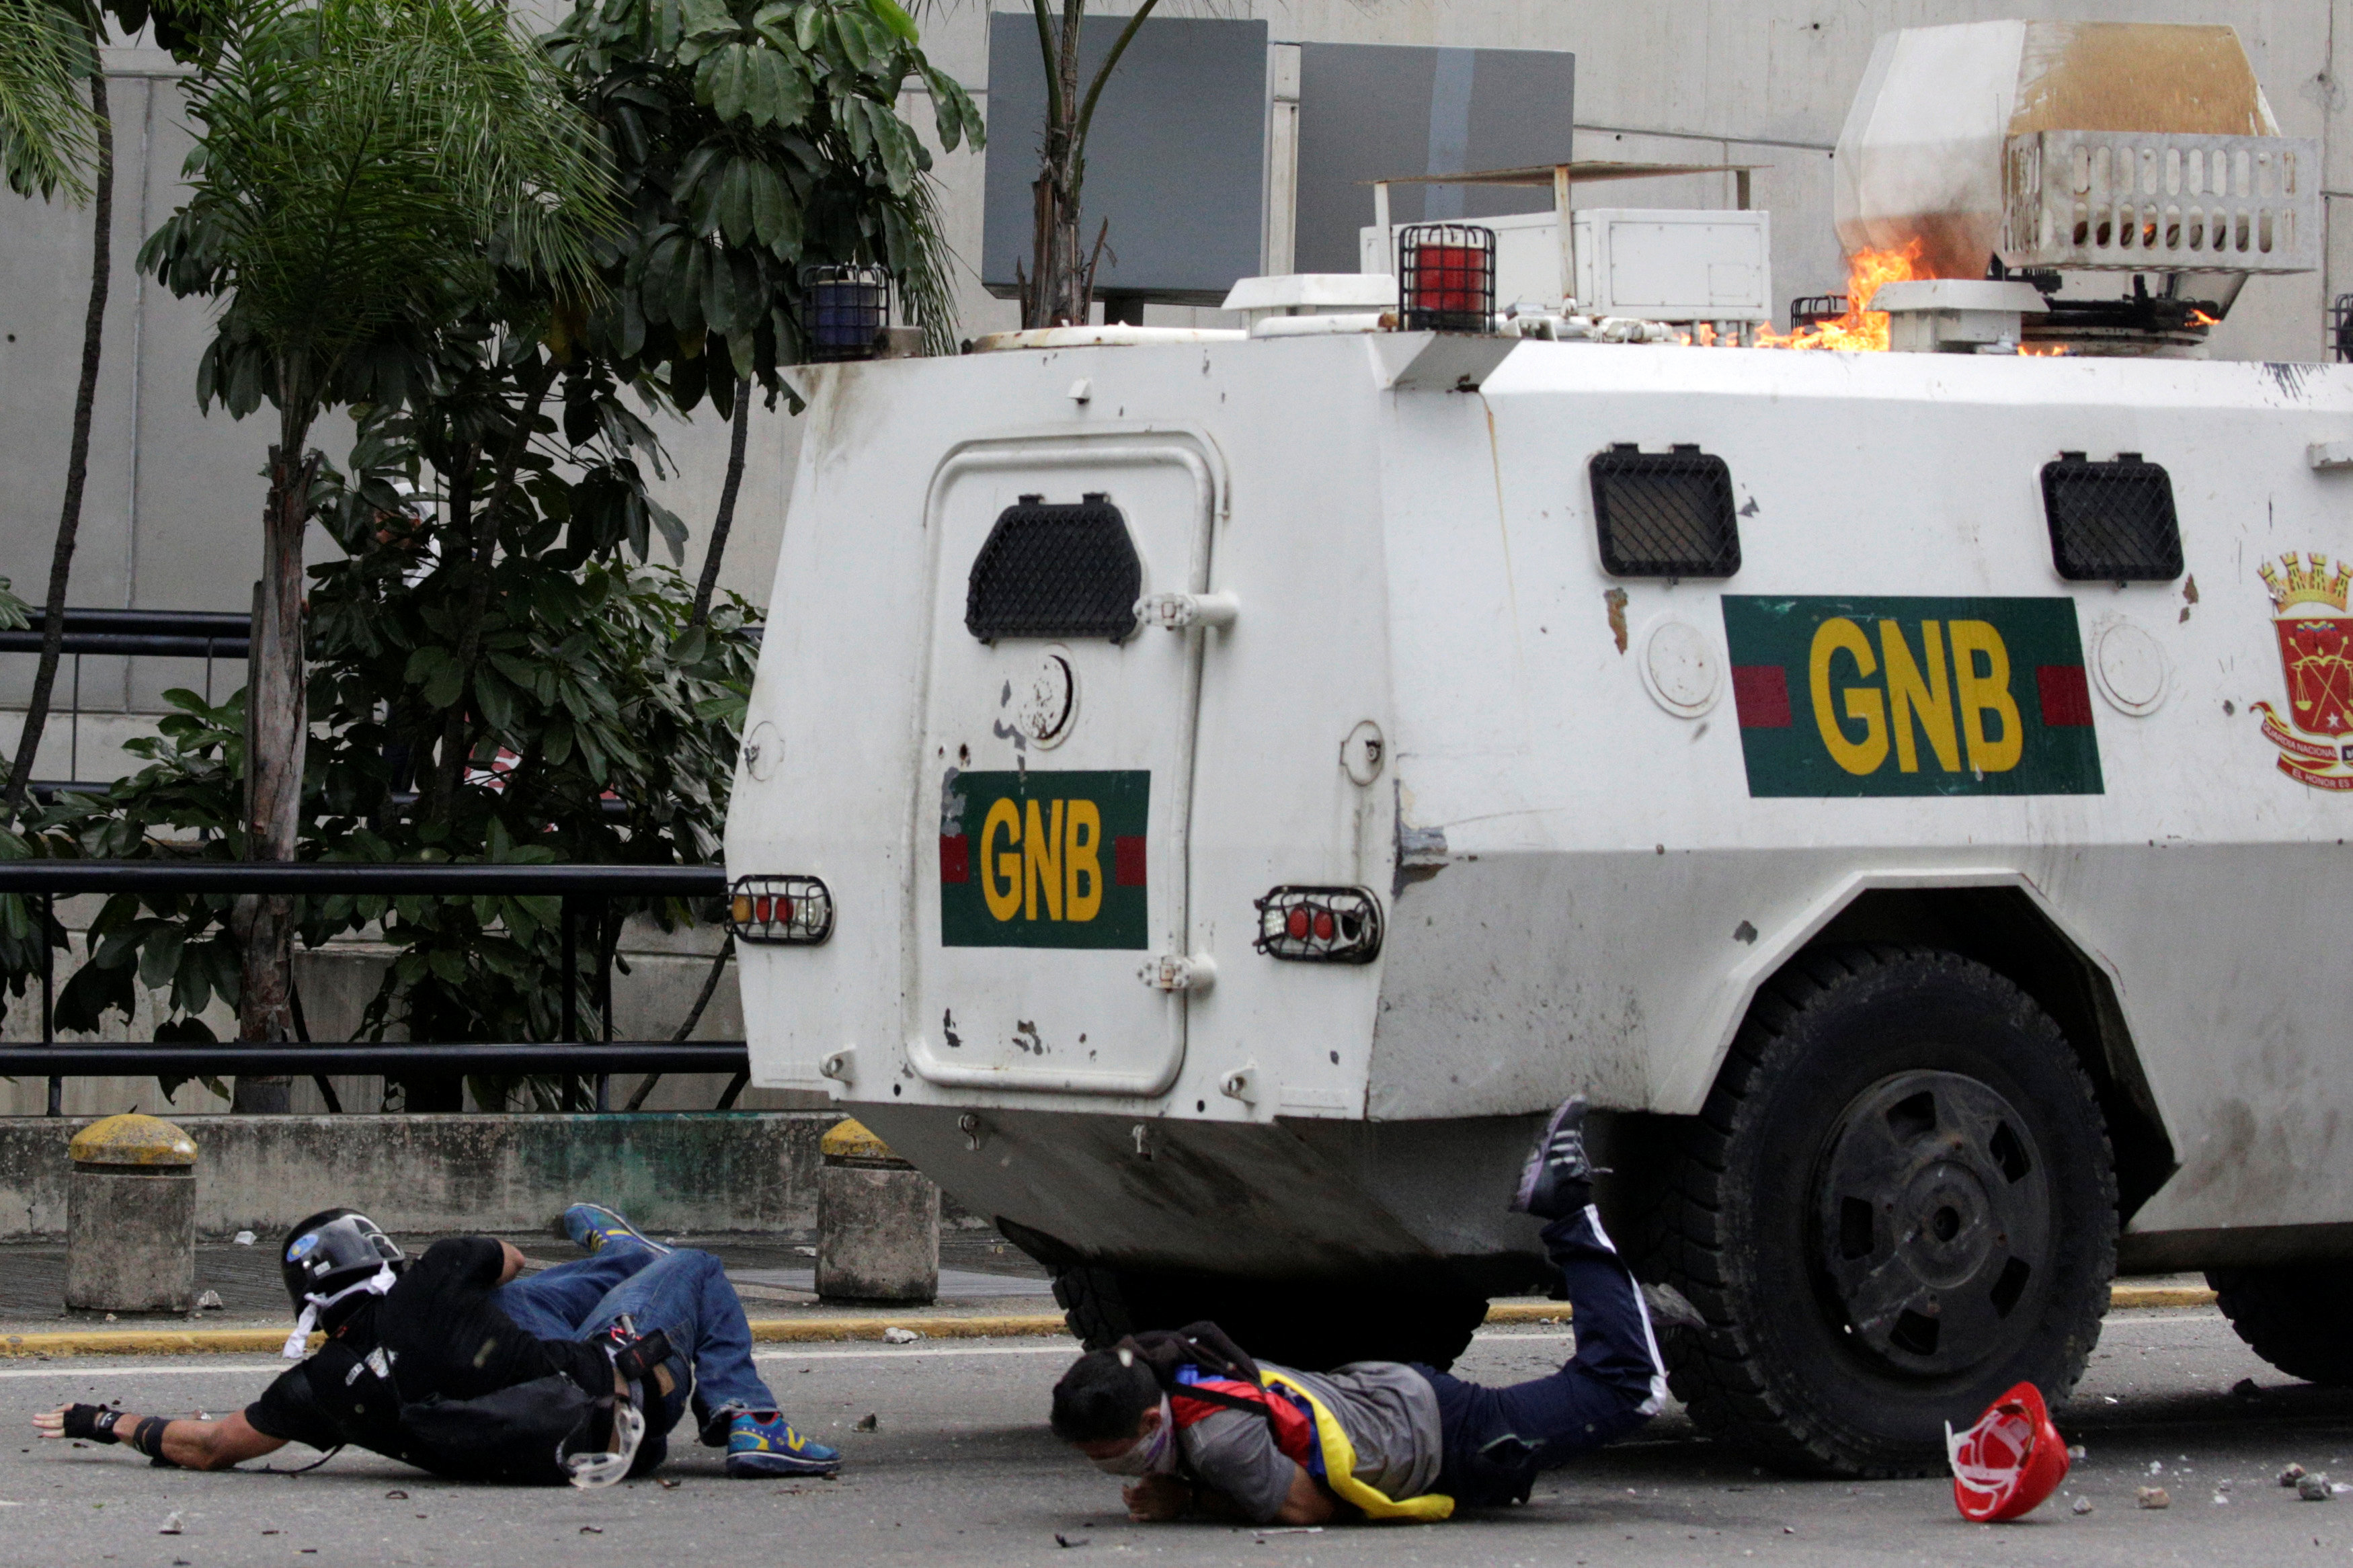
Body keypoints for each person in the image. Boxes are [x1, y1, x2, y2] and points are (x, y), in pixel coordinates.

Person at [1049, 1097, 1669, 1522]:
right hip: (1391, 1402)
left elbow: (1309, 1510)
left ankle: (1567, 1206)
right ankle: (1619, 1306)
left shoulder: (1218, 1443)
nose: (1105, 1468)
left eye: (1111, 1455)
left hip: (1446, 1440)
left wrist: (1185, 1503)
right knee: (1604, 1381)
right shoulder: (1170, 1361)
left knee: (1627, 1386)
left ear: (1153, 1423)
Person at [34, 1203, 840, 1485]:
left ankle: (618, 1254)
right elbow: (508, 1259)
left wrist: (103, 1421)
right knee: (692, 1269)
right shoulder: (435, 1275)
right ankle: (748, 1416)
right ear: (377, 1253)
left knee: (539, 1299)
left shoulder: (323, 1383)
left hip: (570, 1454)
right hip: (635, 1398)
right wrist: (449, 1284)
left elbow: (210, 1445)